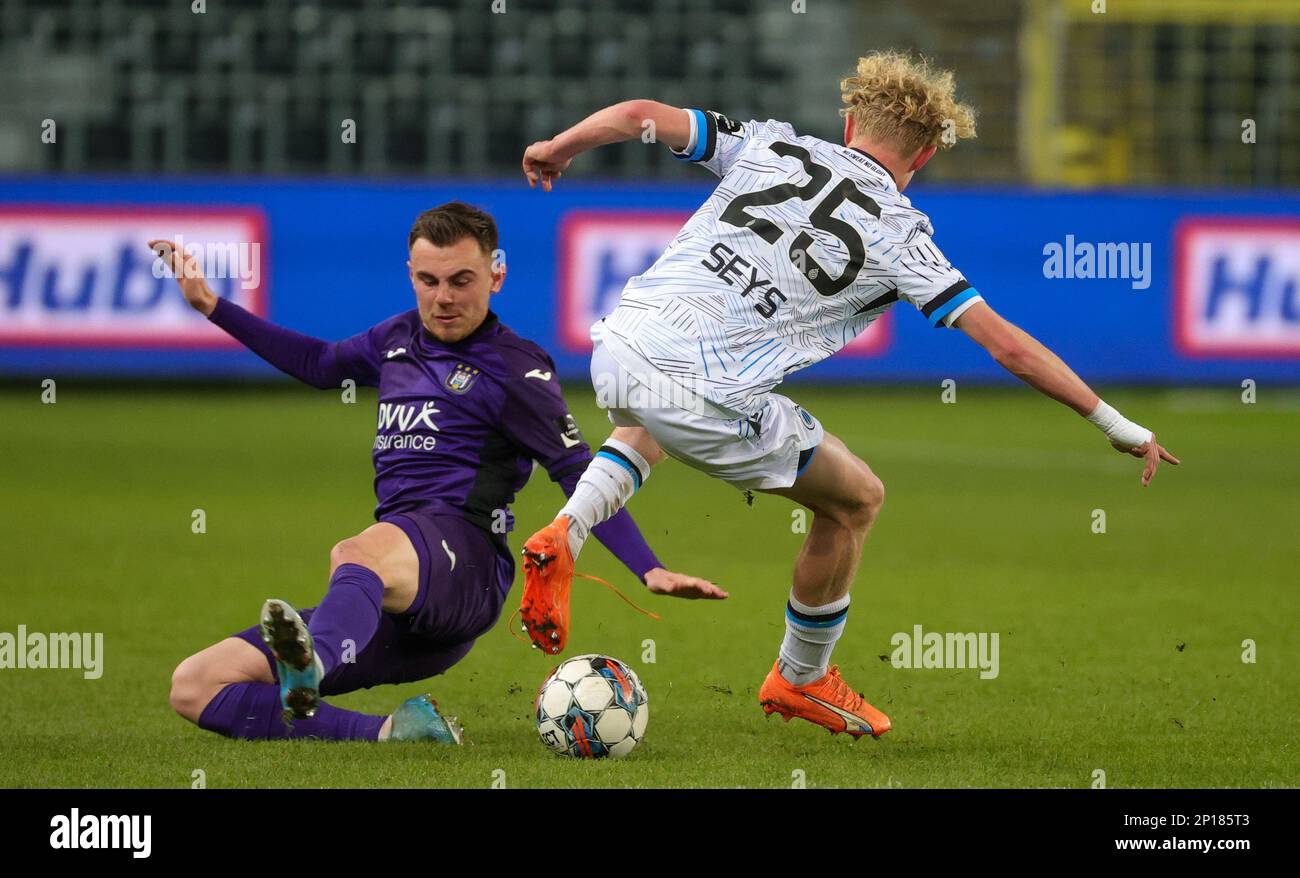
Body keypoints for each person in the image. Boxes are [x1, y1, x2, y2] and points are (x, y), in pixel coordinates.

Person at [516, 52, 1179, 739]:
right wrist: (1112, 421)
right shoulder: (903, 235)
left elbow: (638, 116)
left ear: (850, 120)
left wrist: (557, 147)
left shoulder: (772, 144)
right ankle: (801, 677)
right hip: (704, 392)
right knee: (857, 497)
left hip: (621, 345)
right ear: (924, 153)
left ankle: (567, 530)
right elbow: (1006, 346)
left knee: (657, 415)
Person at [157, 201, 716, 743]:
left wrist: (649, 568)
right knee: (195, 685)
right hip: (395, 605)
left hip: (465, 567)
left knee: (355, 552)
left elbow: (576, 472)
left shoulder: (516, 369)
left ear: (496, 276)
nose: (443, 298)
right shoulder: (397, 340)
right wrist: (211, 305)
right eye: (428, 280)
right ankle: (393, 732)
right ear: (410, 274)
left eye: (461, 280)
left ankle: (314, 664)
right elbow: (320, 365)